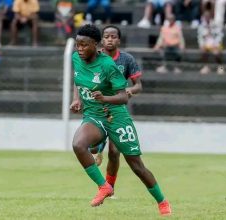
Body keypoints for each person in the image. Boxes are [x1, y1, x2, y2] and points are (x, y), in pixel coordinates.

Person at [70, 24, 171, 215]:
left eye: (84, 45)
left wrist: (104, 98)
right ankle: (104, 186)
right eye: (77, 45)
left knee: (136, 165)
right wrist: (77, 99)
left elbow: (123, 97)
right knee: (78, 145)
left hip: (116, 116)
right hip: (94, 114)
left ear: (95, 44)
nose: (80, 49)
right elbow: (78, 79)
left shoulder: (108, 65)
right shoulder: (76, 58)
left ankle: (162, 201)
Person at [89, 25, 143, 192]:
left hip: (117, 109)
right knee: (91, 146)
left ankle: (108, 187)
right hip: (96, 108)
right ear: (101, 40)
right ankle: (97, 148)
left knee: (115, 151)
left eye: (113, 36)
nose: (110, 39)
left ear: (118, 40)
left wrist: (130, 90)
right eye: (106, 36)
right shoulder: (94, 58)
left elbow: (138, 85)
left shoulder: (126, 60)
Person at [197, 11, 224, 75]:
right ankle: (206, 67)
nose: (206, 18)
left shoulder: (216, 24)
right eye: (205, 17)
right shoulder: (201, 26)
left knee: (216, 53)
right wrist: (201, 44)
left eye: (208, 16)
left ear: (210, 17)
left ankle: (220, 67)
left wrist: (216, 44)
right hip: (206, 44)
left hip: (215, 43)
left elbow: (220, 35)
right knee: (203, 51)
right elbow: (200, 37)